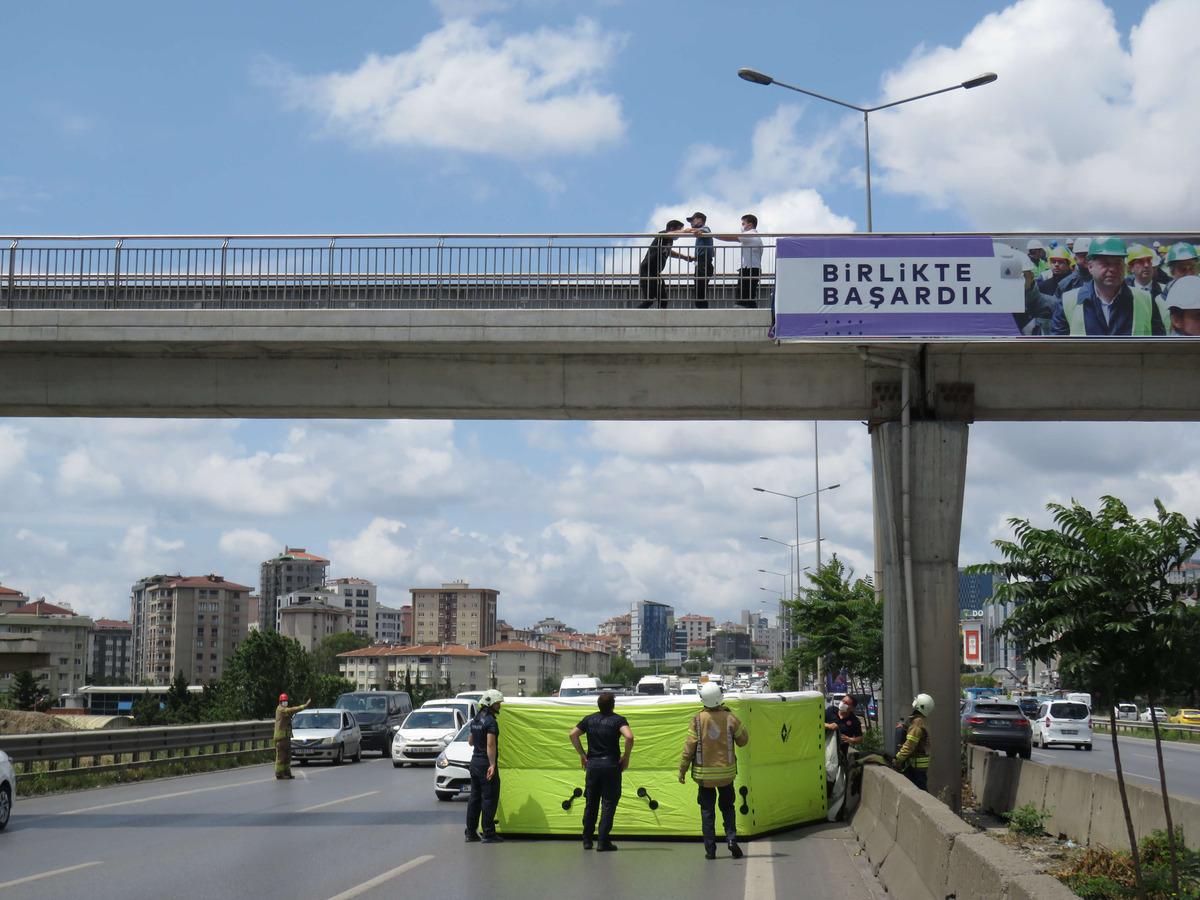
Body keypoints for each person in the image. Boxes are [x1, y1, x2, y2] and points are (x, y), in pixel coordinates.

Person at [678, 682, 748, 860]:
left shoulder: (697, 720)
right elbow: (743, 741)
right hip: (726, 775)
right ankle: (731, 839)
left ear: (703, 699)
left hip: (704, 777)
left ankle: (710, 850)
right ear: (719, 698)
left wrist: (682, 770)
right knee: (727, 808)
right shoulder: (730, 717)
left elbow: (689, 748)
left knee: (707, 811)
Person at [1050, 236, 1168, 336]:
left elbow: (1158, 347)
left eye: (1118, 263)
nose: (1112, 269)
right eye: (1105, 263)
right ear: (1090, 267)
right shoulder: (1068, 302)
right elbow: (1058, 352)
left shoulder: (1145, 300)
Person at [568, 691, 634, 852]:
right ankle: (603, 841)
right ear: (613, 705)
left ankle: (587, 840)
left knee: (591, 803)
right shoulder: (618, 720)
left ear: (598, 705)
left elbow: (573, 734)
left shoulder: (589, 719)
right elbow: (629, 737)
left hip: (593, 766)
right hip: (611, 766)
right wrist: (626, 756)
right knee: (608, 804)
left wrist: (583, 755)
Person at [466, 688, 505, 844]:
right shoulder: (490, 721)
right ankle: (488, 833)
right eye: (497, 703)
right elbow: (491, 744)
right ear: (490, 704)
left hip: (474, 762)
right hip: (485, 763)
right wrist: (492, 765)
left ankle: (470, 832)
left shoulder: (476, 719)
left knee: (474, 798)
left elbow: (470, 741)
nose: (499, 706)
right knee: (489, 798)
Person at [638, 220, 692, 308]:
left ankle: (660, 319)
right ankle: (633, 317)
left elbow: (668, 251)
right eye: (679, 230)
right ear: (672, 229)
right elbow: (669, 234)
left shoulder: (670, 241)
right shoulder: (663, 235)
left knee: (663, 300)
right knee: (649, 300)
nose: (680, 235)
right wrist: (685, 231)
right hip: (647, 270)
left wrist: (684, 257)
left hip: (655, 273)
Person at [715, 214, 764, 307]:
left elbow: (731, 237)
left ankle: (743, 312)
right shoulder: (755, 236)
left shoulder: (751, 234)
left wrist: (713, 235)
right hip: (752, 268)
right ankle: (751, 313)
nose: (741, 226)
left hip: (749, 269)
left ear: (749, 225)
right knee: (749, 296)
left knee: (743, 295)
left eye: (743, 224)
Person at [893, 693, 933, 791]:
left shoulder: (917, 723)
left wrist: (897, 759)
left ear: (921, 706)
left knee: (920, 791)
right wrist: (903, 727)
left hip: (916, 765)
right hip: (916, 763)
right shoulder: (917, 720)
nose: (913, 704)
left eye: (916, 702)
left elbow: (909, 744)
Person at [273, 693, 311, 780]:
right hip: (281, 739)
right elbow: (291, 710)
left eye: (286, 701)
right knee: (281, 757)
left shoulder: (285, 710)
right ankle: (279, 773)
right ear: (280, 702)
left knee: (288, 756)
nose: (285, 702)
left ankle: (287, 772)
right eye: (283, 701)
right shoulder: (281, 709)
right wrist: (304, 706)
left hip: (286, 738)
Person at [686, 212, 715, 308]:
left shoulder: (705, 229)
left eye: (692, 220)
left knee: (700, 288)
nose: (691, 223)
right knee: (700, 288)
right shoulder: (702, 232)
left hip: (704, 264)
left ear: (700, 220)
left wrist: (691, 230)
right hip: (702, 263)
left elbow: (704, 231)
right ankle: (701, 308)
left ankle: (701, 309)